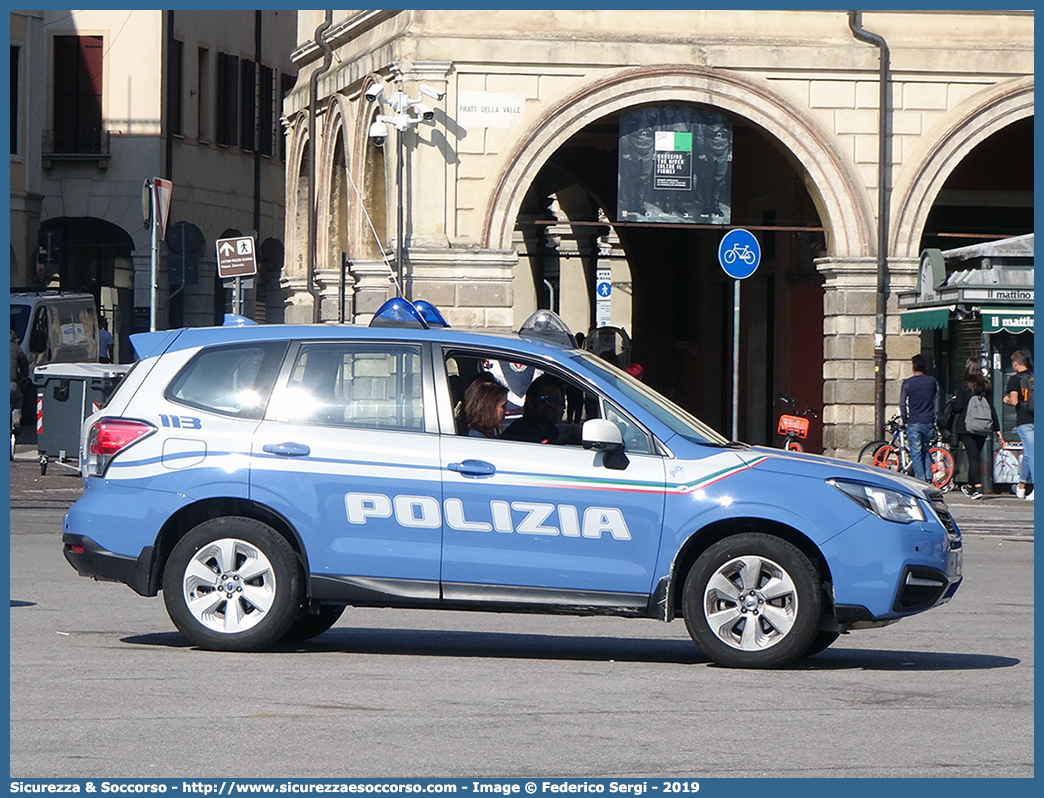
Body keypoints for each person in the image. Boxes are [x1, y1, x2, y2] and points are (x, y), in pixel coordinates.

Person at [952, 356, 1000, 500]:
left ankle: (977, 487)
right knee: (975, 456)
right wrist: (997, 429)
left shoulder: (963, 385)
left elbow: (958, 406)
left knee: (972, 457)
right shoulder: (986, 386)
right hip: (983, 425)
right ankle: (970, 486)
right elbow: (991, 408)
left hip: (966, 426)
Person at [898, 353, 937, 483]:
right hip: (928, 420)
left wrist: (905, 420)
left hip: (914, 421)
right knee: (926, 450)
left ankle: (920, 480)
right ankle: (929, 477)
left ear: (913, 367)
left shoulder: (908, 383)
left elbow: (902, 403)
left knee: (916, 453)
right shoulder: (931, 382)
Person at [501, 374, 568, 444]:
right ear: (530, 403)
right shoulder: (521, 434)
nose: (552, 405)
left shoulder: (551, 431)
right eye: (545, 399)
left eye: (557, 400)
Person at [1003, 349, 1034, 500]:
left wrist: (1006, 400)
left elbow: (1014, 401)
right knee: (1029, 454)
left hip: (1025, 421)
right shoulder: (1035, 376)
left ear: (1015, 364)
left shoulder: (1015, 380)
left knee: (1033, 454)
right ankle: (1021, 487)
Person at [10, 329, 29, 429]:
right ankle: (16, 419)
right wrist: (24, 375)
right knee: (18, 399)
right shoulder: (16, 348)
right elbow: (24, 364)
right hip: (10, 383)